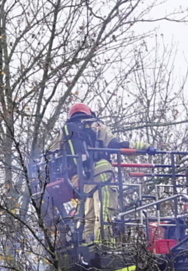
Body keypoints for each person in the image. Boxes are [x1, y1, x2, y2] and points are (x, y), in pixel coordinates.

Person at [58, 102, 152, 244]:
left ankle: (87, 244)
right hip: (101, 171)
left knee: (89, 214)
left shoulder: (64, 132)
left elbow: (54, 156)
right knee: (104, 208)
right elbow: (115, 145)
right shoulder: (96, 125)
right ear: (89, 113)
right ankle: (105, 244)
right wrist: (143, 147)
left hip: (80, 178)